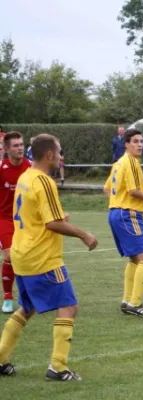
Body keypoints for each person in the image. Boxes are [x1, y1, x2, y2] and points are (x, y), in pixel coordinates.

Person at [0, 133, 98, 380]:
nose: (62, 157)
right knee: (69, 306)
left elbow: (37, 215)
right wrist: (83, 234)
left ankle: (1, 358)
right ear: (49, 155)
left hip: (22, 254)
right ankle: (58, 366)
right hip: (41, 258)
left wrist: (57, 219)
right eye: (60, 152)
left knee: (27, 308)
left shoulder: (25, 176)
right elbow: (53, 223)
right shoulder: (44, 181)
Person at [104, 130, 143, 319]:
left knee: (135, 259)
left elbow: (107, 189)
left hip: (115, 213)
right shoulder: (132, 162)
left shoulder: (118, 163)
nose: (140, 145)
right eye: (135, 141)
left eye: (142, 141)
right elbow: (134, 190)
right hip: (129, 214)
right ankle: (135, 304)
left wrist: (117, 203)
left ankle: (127, 301)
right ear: (126, 144)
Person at [0, 132, 32, 314]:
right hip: (4, 219)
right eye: (15, 146)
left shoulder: (30, 168)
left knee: (27, 257)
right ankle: (7, 298)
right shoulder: (1, 168)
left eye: (21, 144)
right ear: (6, 149)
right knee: (10, 256)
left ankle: (27, 296)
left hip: (25, 221)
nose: (20, 148)